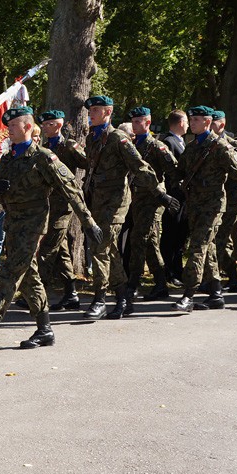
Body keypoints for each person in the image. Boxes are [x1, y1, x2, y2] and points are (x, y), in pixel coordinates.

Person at [0, 107, 102, 350]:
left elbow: (71, 189)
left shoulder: (44, 157)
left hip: (33, 225)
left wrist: (88, 222)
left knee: (9, 274)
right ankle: (44, 330)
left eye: (12, 126)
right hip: (13, 224)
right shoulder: (8, 157)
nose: (8, 130)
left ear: (26, 126)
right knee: (30, 279)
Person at [72, 96, 179, 320]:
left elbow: (140, 166)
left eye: (96, 109)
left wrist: (160, 194)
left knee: (100, 248)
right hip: (96, 201)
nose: (91, 113)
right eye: (90, 109)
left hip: (115, 204)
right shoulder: (92, 137)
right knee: (109, 251)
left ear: (108, 112)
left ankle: (99, 299)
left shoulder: (118, 138)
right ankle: (123, 298)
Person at [171, 106, 237, 312]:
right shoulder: (192, 146)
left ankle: (188, 295)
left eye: (197, 119)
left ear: (207, 122)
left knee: (197, 247)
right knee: (209, 249)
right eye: (191, 119)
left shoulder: (220, 147)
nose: (192, 123)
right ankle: (216, 293)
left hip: (213, 205)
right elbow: (178, 171)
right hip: (195, 204)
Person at [125, 107, 178, 302]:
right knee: (150, 243)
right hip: (136, 198)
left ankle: (133, 283)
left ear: (148, 123)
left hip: (153, 200)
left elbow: (173, 170)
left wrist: (166, 194)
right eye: (134, 121)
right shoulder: (131, 144)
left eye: (139, 121)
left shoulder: (156, 146)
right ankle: (161, 283)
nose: (135, 124)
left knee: (138, 238)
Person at [36, 109, 87, 311]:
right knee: (62, 252)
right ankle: (71, 293)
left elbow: (87, 162)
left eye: (48, 124)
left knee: (48, 249)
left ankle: (39, 292)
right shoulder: (45, 147)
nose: (43, 128)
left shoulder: (68, 146)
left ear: (57, 125)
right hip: (50, 204)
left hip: (64, 204)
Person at [210, 110, 237, 292]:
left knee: (221, 238)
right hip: (211, 199)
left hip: (230, 198)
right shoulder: (204, 143)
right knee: (218, 239)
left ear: (221, 124)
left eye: (212, 122)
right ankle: (223, 278)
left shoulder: (232, 144)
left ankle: (225, 277)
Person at [160, 109, 188, 285]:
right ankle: (170, 271)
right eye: (186, 121)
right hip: (174, 196)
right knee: (171, 234)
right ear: (180, 123)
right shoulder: (169, 142)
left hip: (182, 196)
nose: (188, 124)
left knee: (180, 235)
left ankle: (178, 269)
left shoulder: (181, 141)